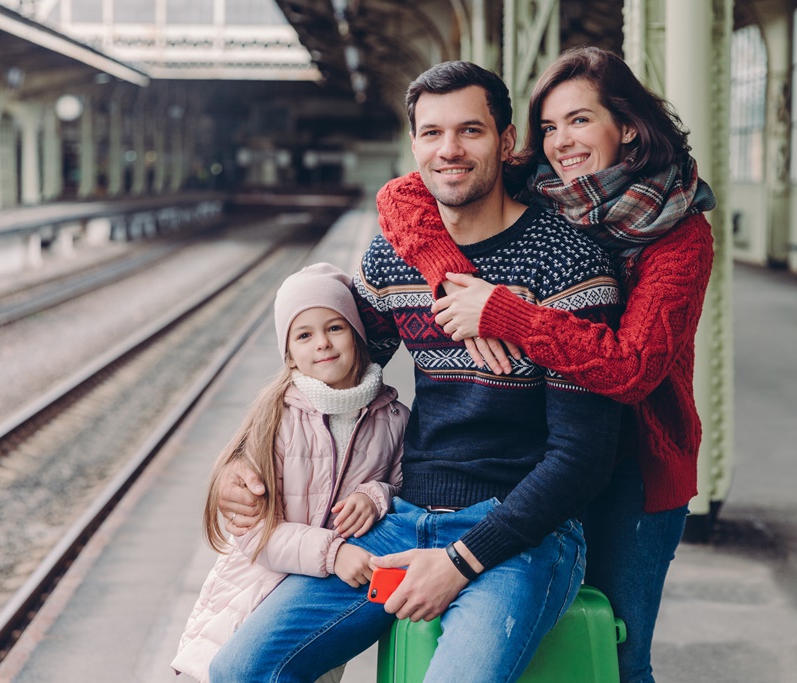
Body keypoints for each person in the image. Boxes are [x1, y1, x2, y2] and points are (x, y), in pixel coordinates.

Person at [209, 61, 623, 682]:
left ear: (507, 142)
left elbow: (581, 457)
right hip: (403, 517)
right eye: (431, 133)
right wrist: (242, 457)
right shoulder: (394, 257)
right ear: (413, 145)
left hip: (525, 533)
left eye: (470, 131)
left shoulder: (567, 262)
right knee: (241, 671)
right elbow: (329, 372)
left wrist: (459, 562)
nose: (448, 150)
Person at [375, 46, 717, 683]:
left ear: (630, 127)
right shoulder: (542, 185)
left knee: (616, 651)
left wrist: (503, 314)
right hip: (544, 460)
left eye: (581, 121)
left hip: (634, 469)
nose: (562, 142)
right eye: (550, 126)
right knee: (533, 646)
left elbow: (632, 369)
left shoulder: (679, 232)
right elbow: (403, 196)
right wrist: (447, 279)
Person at [170, 263, 408, 683]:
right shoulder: (275, 419)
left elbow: (406, 489)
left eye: (335, 327)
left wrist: (376, 495)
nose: (322, 344)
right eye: (304, 334)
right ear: (288, 353)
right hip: (253, 595)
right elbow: (252, 532)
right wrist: (333, 553)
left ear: (357, 334)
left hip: (324, 602)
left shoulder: (393, 419)